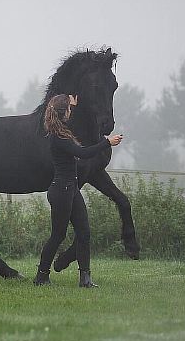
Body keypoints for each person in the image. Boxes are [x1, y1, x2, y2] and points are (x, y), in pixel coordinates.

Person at [34, 94, 122, 287]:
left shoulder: (61, 131)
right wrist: (107, 142)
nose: (70, 112)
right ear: (63, 113)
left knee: (84, 233)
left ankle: (85, 279)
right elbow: (83, 153)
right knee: (58, 235)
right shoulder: (59, 138)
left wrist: (71, 104)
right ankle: (41, 276)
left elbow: (68, 122)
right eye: (68, 109)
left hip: (71, 189)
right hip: (61, 192)